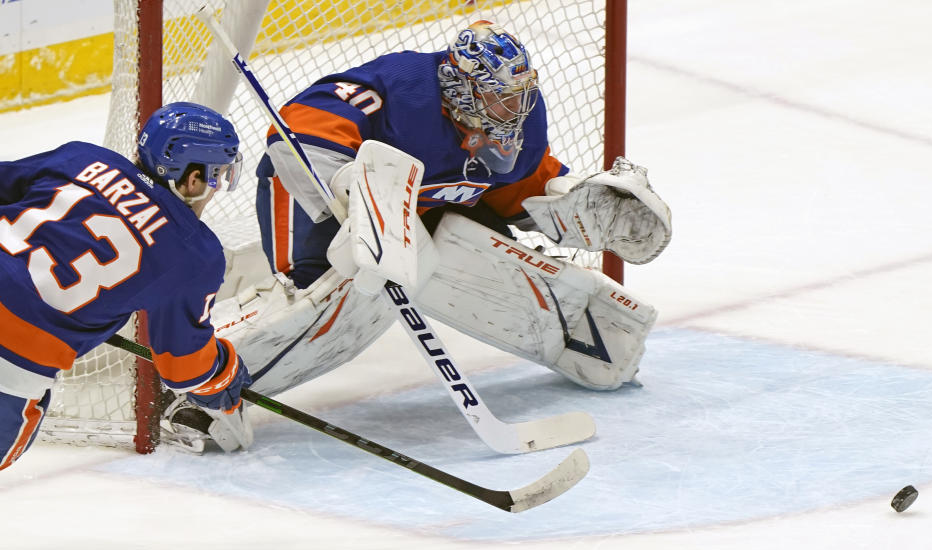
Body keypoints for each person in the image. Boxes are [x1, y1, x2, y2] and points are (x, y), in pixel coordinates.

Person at [197, 21, 672, 439]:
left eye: (520, 93)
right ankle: (199, 388)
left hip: (413, 204)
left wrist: (564, 202)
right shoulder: (402, 86)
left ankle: (591, 340)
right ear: (462, 89)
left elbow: (513, 184)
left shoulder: (518, 125)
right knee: (317, 295)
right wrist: (353, 190)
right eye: (501, 96)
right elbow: (298, 130)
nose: (516, 107)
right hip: (313, 191)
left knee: (473, 252)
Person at [0, 102, 253, 467]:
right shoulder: (193, 253)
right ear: (192, 179)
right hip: (13, 361)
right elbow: (184, 367)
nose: (215, 188)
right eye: (218, 176)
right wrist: (223, 371)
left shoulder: (82, 157)